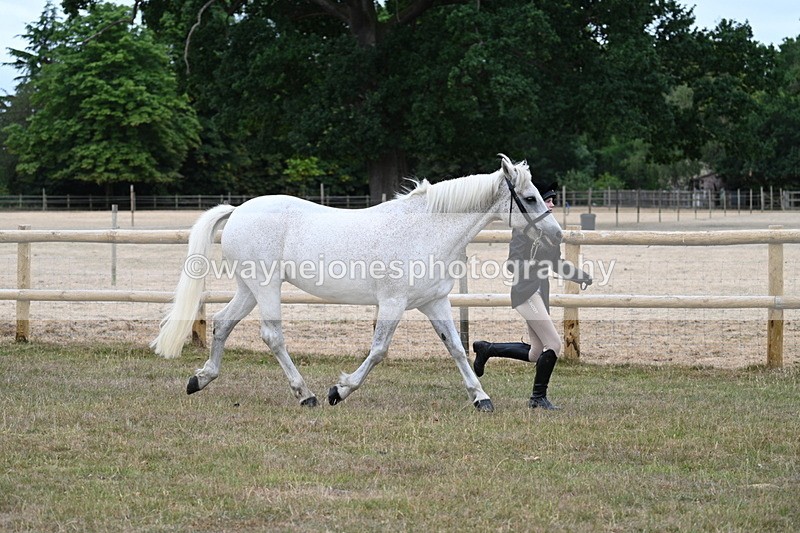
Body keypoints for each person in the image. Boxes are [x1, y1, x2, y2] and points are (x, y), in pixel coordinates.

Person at [472, 182, 592, 410]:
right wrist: (535, 263)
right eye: (548, 201)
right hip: (526, 293)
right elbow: (512, 264)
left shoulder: (549, 232)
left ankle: (487, 348)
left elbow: (555, 263)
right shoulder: (522, 229)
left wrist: (580, 276)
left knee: (537, 352)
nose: (552, 205)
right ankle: (537, 398)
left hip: (540, 294)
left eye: (552, 201)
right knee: (554, 344)